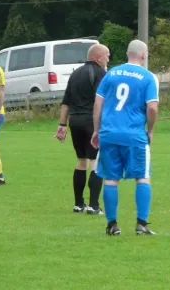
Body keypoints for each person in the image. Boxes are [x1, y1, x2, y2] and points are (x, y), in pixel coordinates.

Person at [91, 40, 159, 236]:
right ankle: (142, 224)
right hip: (134, 134)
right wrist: (151, 130)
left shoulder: (111, 74)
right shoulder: (147, 77)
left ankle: (112, 225)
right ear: (144, 55)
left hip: (109, 133)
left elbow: (98, 104)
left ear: (128, 54)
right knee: (142, 177)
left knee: (111, 179)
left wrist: (96, 130)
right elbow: (152, 107)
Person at [55, 44, 110, 214]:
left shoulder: (75, 74)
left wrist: (62, 125)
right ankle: (94, 206)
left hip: (75, 122)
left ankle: (78, 204)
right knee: (95, 163)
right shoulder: (100, 73)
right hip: (90, 122)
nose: (108, 59)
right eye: (107, 56)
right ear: (98, 57)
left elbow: (66, 103)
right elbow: (101, 101)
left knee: (81, 161)